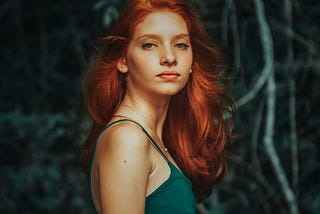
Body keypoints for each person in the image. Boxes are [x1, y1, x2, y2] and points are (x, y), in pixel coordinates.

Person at [81, 0, 235, 213]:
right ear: (122, 59)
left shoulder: (152, 139)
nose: (170, 58)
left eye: (180, 44)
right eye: (150, 44)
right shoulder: (127, 138)